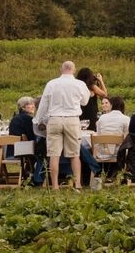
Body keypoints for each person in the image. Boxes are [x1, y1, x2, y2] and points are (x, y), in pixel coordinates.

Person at [40, 61, 92, 189]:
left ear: (61, 69)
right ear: (74, 70)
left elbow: (44, 104)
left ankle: (55, 185)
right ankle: (78, 184)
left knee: (54, 154)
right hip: (72, 119)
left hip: (55, 119)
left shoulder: (51, 84)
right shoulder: (79, 84)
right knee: (74, 154)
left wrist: (39, 120)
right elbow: (85, 102)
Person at [94, 96, 130, 165]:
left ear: (111, 105)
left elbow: (98, 133)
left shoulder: (102, 118)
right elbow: (128, 137)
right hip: (120, 154)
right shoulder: (126, 119)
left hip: (102, 153)